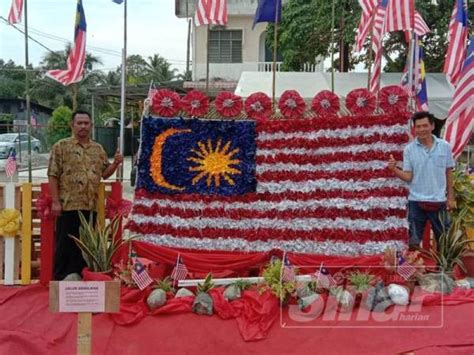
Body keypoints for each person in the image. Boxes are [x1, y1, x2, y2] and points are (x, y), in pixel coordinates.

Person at [48, 110, 123, 280]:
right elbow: (52, 174)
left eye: (86, 123)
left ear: (91, 125)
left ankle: (82, 278)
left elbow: (104, 174)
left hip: (90, 206)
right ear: (72, 125)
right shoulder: (61, 146)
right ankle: (61, 279)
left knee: (86, 247)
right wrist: (55, 202)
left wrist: (116, 163)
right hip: (68, 205)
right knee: (65, 245)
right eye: (79, 123)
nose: (83, 126)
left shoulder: (97, 149)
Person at [388, 111, 456, 249]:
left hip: (439, 202)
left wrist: (451, 198)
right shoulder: (409, 149)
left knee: (444, 241)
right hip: (416, 203)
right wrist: (394, 169)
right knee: (413, 242)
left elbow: (449, 172)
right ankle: (415, 269)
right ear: (414, 128)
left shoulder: (445, 146)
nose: (421, 129)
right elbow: (408, 177)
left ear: (432, 126)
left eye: (425, 125)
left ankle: (443, 269)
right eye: (418, 127)